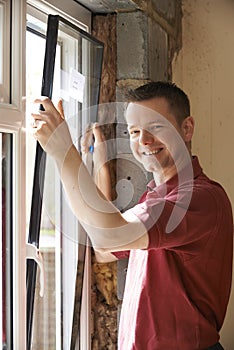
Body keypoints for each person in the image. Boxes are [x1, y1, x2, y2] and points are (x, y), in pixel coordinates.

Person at [31, 81, 233, 350]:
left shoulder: (197, 198)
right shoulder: (156, 197)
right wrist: (100, 167)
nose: (144, 140)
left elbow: (110, 237)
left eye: (156, 127)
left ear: (187, 128)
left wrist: (62, 151)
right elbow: (106, 250)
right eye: (134, 131)